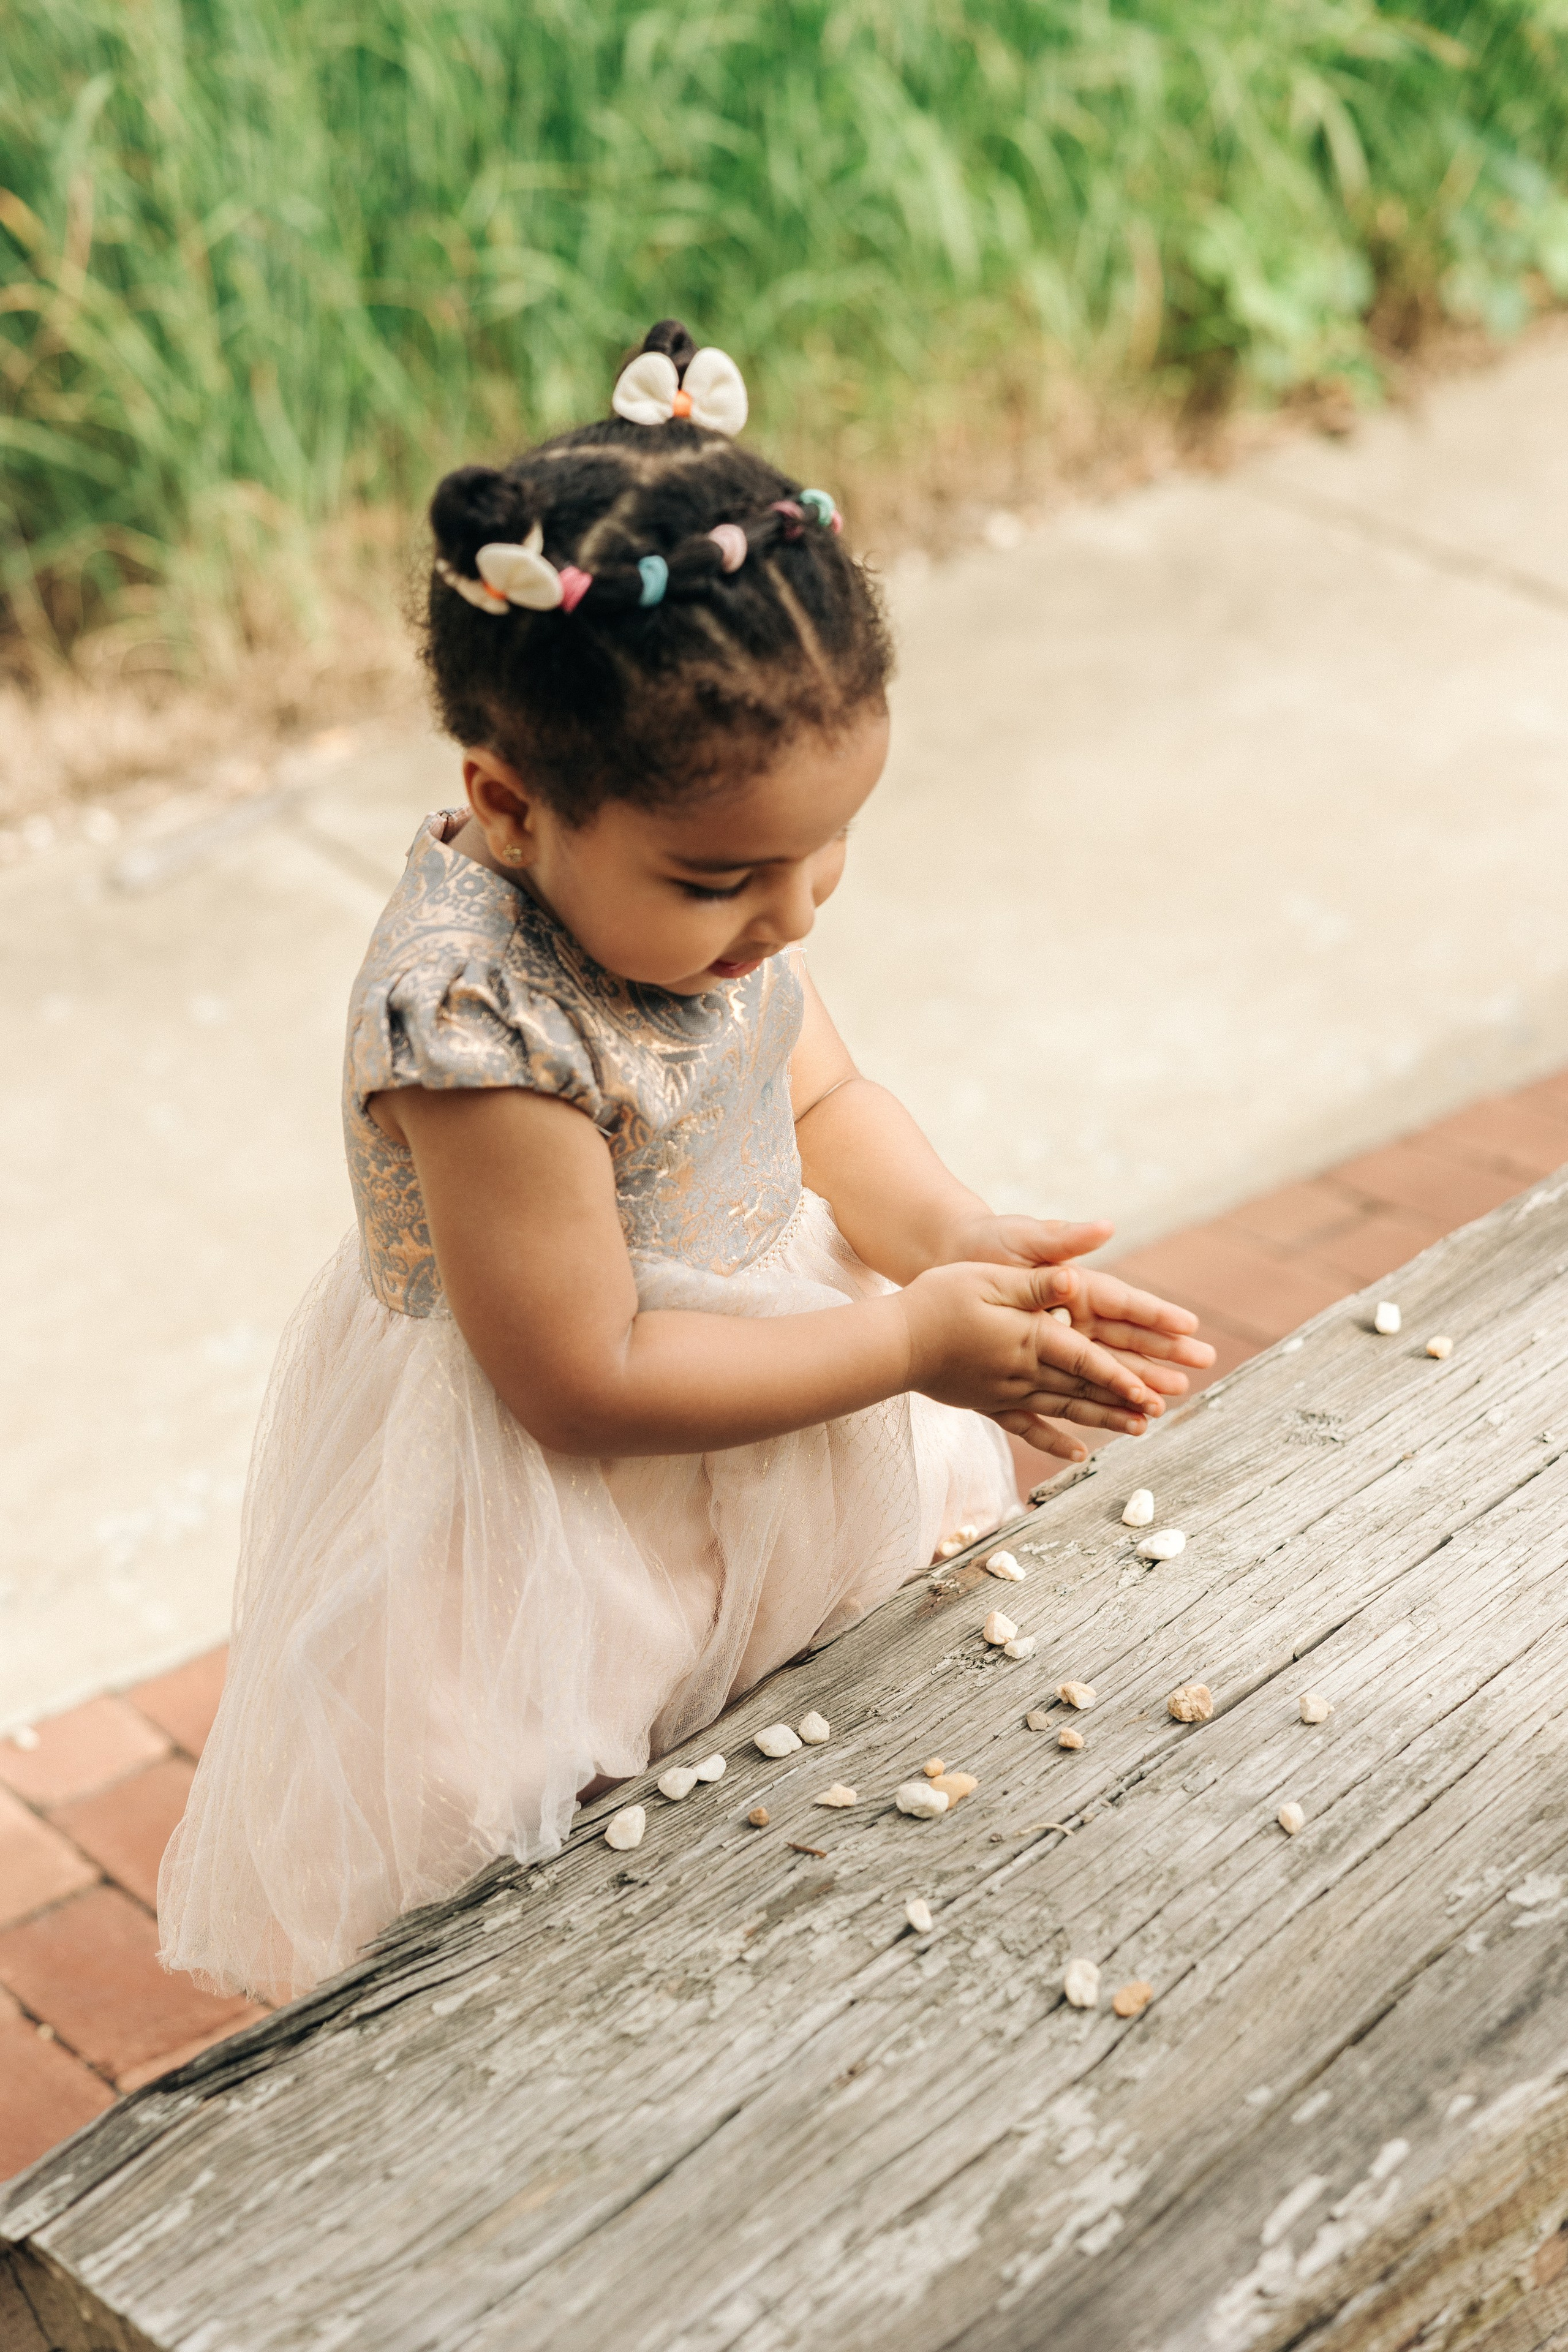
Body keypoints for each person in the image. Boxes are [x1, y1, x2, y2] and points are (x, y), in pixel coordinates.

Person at [157, 321, 1213, 2003]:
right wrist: (913, 1347)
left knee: (806, 1757)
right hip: (567, 1512)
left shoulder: (711, 915)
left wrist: (948, 1234)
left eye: (830, 850)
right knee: (556, 1838)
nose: (790, 915)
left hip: (777, 1394)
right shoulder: (476, 1028)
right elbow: (585, 1378)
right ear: (508, 803)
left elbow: (821, 1096)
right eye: (727, 879)